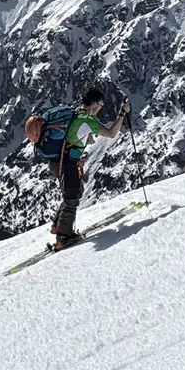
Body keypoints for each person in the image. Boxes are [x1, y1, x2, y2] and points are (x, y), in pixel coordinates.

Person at [43, 88, 127, 249]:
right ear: (94, 103)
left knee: (75, 192)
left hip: (59, 161)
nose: (101, 108)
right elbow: (111, 133)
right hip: (67, 163)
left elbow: (71, 139)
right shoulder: (87, 120)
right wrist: (122, 113)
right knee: (72, 198)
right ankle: (63, 237)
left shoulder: (75, 113)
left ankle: (57, 225)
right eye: (100, 104)